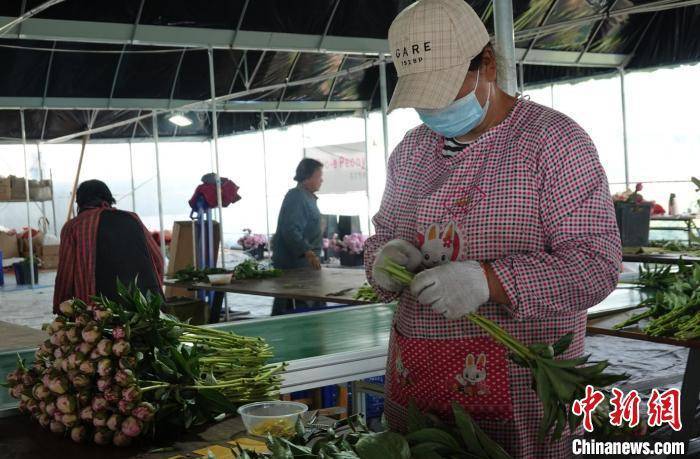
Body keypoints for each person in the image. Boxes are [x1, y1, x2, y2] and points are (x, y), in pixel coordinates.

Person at [364, 1, 622, 458]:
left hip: (516, 386)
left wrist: (490, 280)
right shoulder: (412, 150)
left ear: (486, 63)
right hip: (416, 380)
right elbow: (383, 234)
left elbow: (596, 266)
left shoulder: (552, 141)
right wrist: (382, 260)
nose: (432, 106)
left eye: (444, 89)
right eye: (421, 93)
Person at [53, 180, 163, 312]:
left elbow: (66, 273)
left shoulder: (74, 226)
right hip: (144, 308)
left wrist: (60, 306)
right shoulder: (132, 218)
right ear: (109, 198)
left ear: (80, 202)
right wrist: (155, 292)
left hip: (99, 314)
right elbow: (157, 259)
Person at [270, 158, 324, 315]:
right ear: (307, 177)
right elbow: (290, 229)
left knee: (305, 304)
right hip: (294, 266)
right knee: (291, 306)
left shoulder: (306, 197)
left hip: (305, 265)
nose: (321, 179)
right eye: (318, 176)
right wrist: (308, 252)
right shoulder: (297, 197)